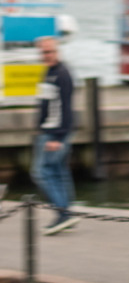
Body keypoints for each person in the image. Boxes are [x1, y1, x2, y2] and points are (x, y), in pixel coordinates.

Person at [32, 36, 78, 235]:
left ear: (57, 51)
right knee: (59, 172)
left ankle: (63, 213)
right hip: (49, 132)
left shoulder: (61, 74)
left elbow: (65, 109)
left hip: (54, 134)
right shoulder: (49, 72)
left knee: (41, 172)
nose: (46, 56)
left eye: (49, 52)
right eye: (43, 52)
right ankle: (66, 213)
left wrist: (57, 137)